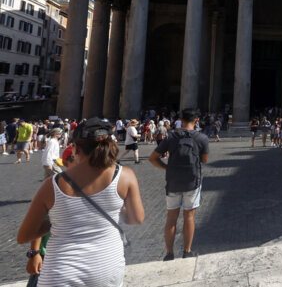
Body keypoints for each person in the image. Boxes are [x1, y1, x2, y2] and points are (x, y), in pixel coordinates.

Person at [17, 117, 145, 287]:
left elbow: (24, 235)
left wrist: (57, 221)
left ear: (75, 149)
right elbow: (136, 218)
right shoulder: (126, 175)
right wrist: (115, 211)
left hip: (61, 272)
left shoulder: (53, 184)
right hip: (107, 269)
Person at [149, 108, 209, 261]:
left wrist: (166, 167)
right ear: (196, 121)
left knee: (171, 218)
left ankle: (169, 253)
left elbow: (153, 158)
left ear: (181, 120)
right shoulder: (202, 138)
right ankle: (187, 251)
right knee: (189, 216)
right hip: (192, 181)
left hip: (173, 181)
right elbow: (204, 160)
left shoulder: (171, 137)